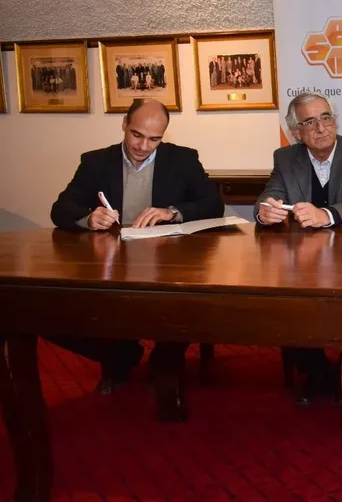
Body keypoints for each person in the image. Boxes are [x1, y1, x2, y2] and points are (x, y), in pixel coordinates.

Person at [49, 99, 223, 396]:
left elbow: (213, 204)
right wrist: (90, 218)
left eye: (154, 139)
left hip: (169, 259)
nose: (143, 146)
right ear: (124, 125)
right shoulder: (95, 162)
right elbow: (61, 209)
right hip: (113, 258)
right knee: (58, 312)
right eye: (136, 135)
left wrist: (172, 212)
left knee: (185, 301)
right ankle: (122, 353)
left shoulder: (183, 159)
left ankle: (166, 357)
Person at [255, 92, 342, 405]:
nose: (321, 127)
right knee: (286, 304)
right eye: (309, 122)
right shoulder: (285, 158)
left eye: (327, 118)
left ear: (335, 121)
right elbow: (269, 195)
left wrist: (325, 215)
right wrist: (264, 211)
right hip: (306, 259)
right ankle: (321, 373)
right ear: (296, 132)